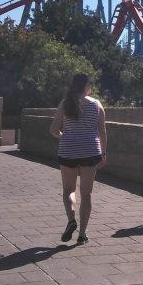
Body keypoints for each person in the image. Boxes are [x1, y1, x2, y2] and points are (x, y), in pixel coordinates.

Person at [49, 73, 106, 245]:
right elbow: (102, 132)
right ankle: (82, 234)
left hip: (68, 151)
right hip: (90, 151)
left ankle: (71, 219)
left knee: (68, 190)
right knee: (86, 194)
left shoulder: (65, 104)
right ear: (87, 87)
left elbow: (53, 129)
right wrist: (103, 154)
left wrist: (65, 137)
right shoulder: (96, 104)